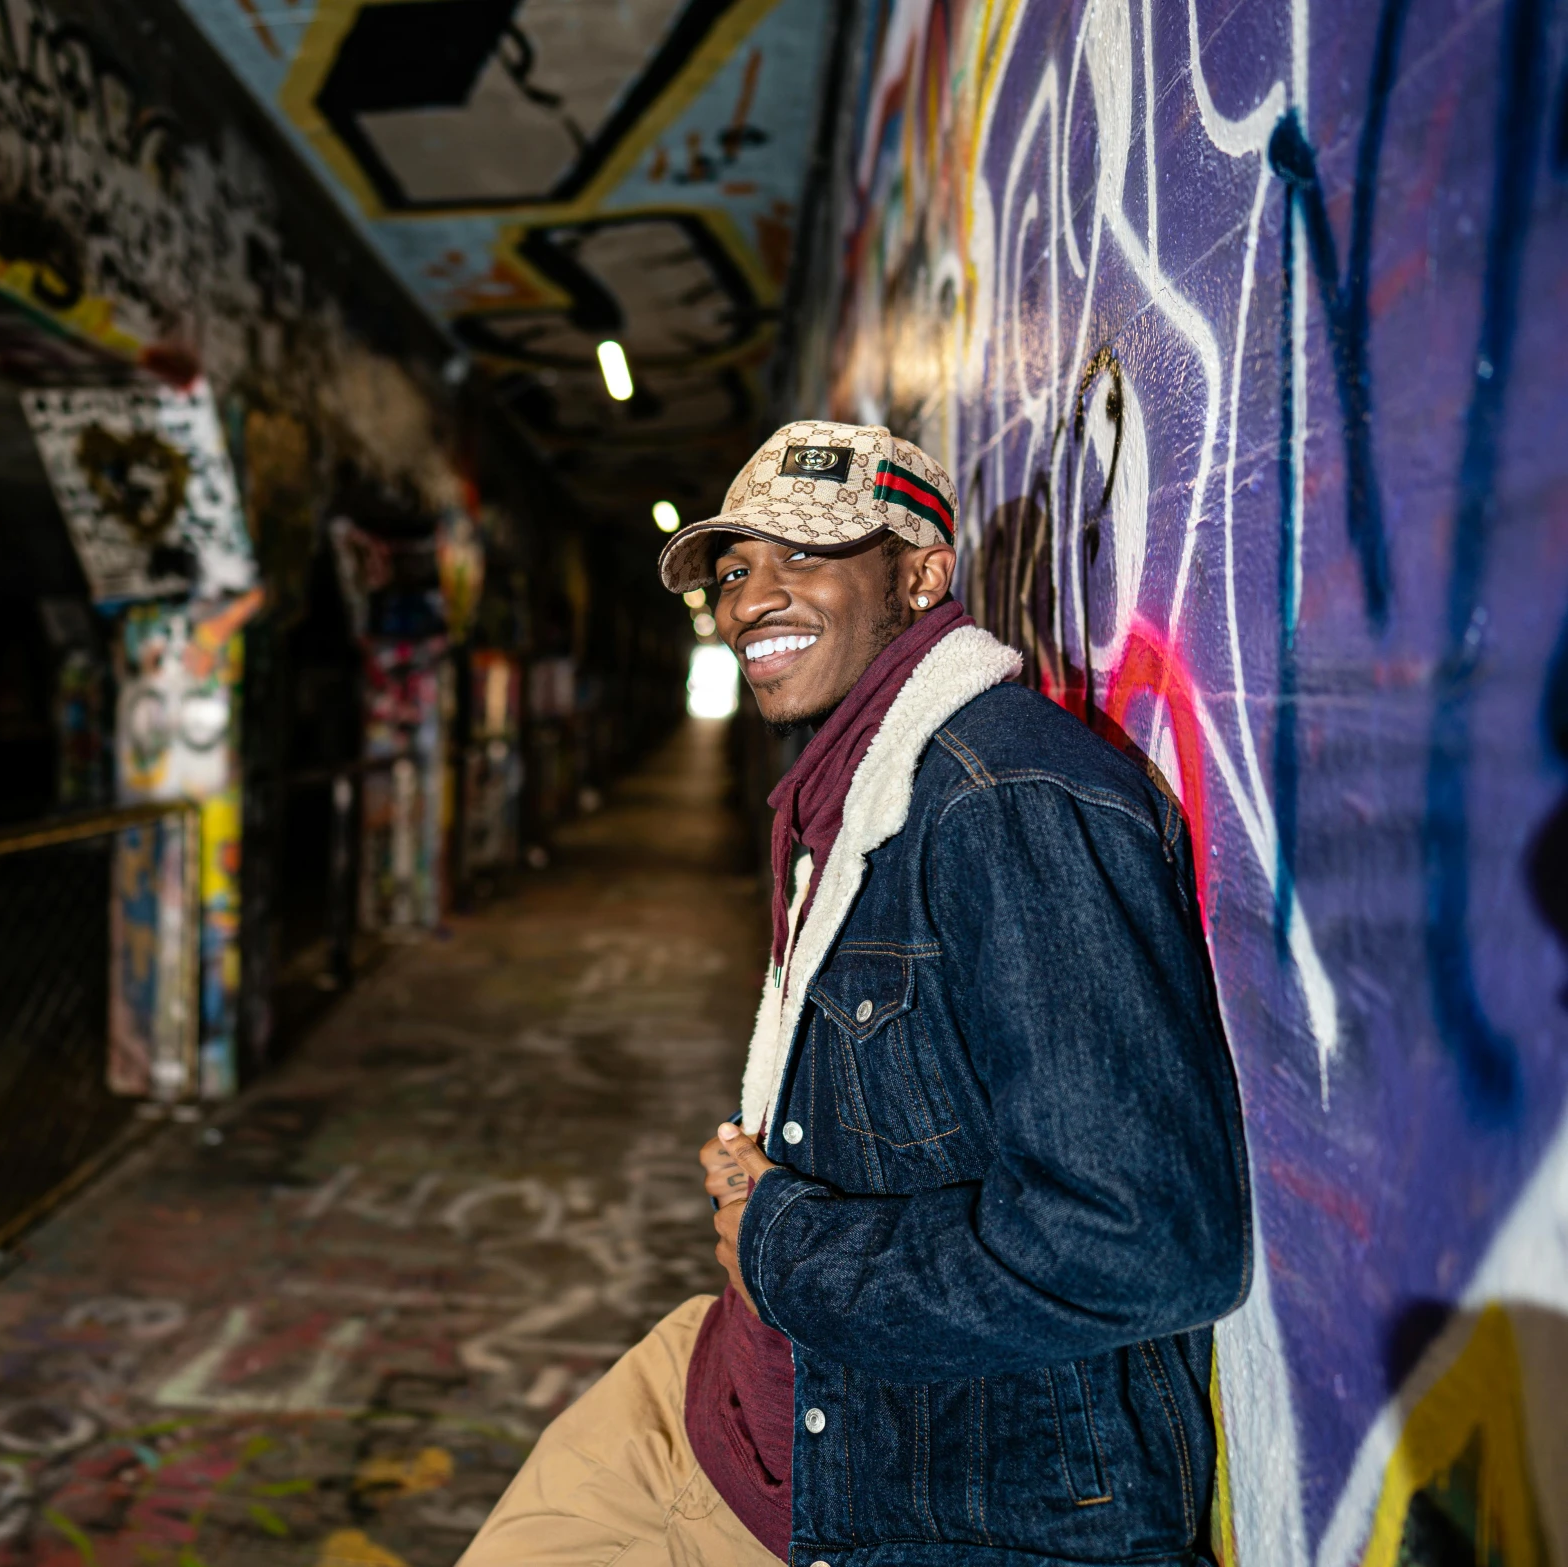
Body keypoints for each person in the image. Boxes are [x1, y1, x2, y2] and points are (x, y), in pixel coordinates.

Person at [458, 420, 1250, 1567]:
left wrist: (780, 1239)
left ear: (922, 574)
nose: (751, 602)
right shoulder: (854, 789)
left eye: (805, 556)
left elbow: (1145, 1244)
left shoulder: (1004, 800)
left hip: (905, 1490)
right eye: (735, 571)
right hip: (730, 1394)